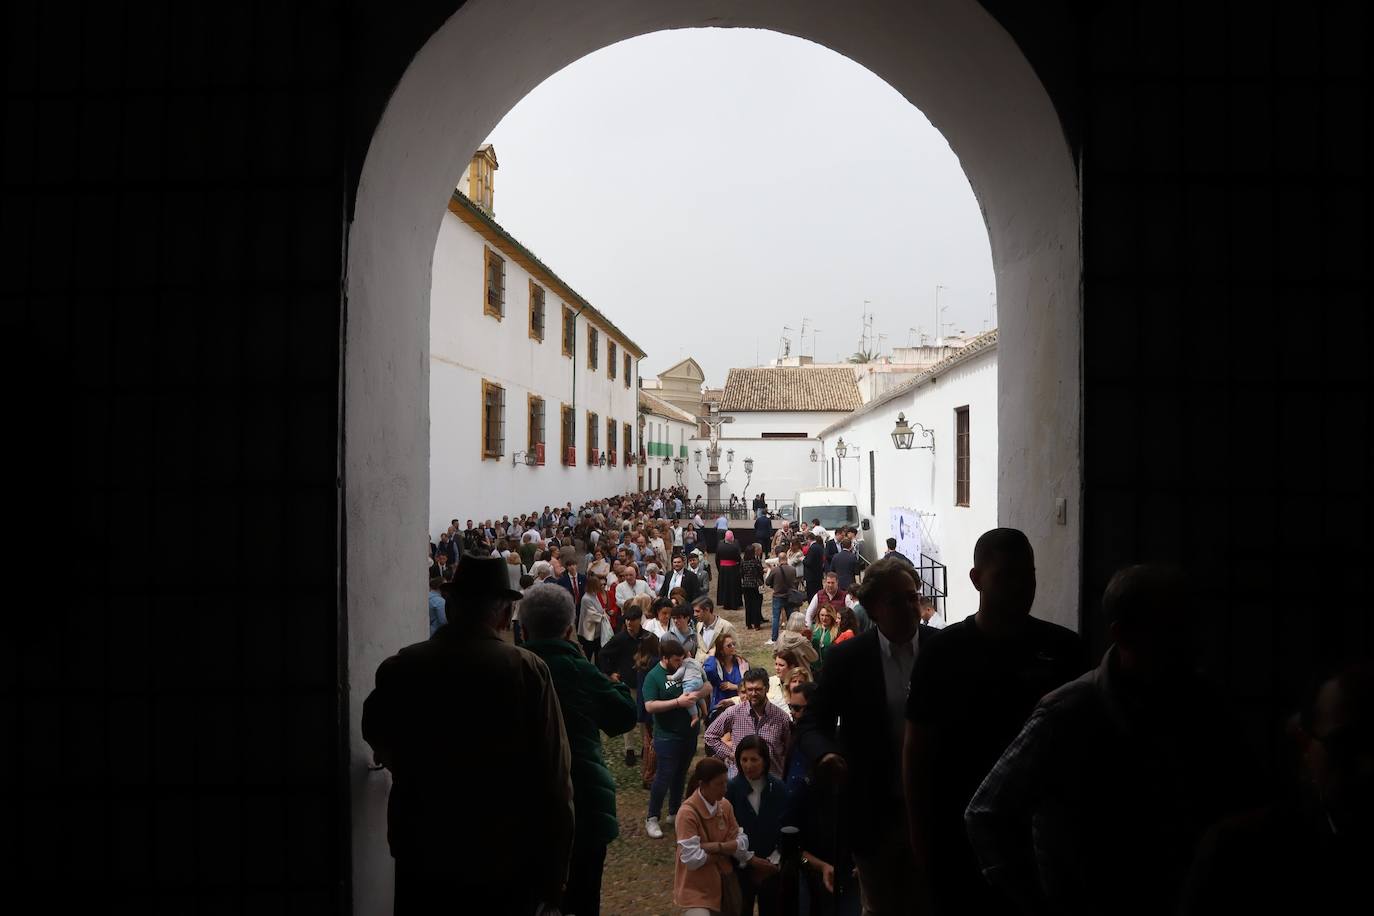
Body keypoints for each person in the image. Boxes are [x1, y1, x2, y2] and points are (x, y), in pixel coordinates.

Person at [964, 563, 1256, 916]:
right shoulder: (1066, 713)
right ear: (1123, 634)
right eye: (1170, 630)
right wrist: (1037, 901)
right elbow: (986, 813)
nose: (1188, 641)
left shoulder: (1202, 704)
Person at [361, 555, 573, 914]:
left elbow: (378, 739)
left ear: (450, 607)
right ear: (505, 615)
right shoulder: (526, 670)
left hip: (423, 854)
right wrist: (555, 876)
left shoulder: (401, 667)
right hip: (502, 860)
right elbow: (555, 777)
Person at [904, 528, 1086, 916]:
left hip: (1041, 845)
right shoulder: (943, 654)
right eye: (1007, 576)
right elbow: (917, 754)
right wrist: (922, 842)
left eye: (1029, 575)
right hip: (958, 844)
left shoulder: (1065, 651)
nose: (1021, 587)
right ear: (976, 579)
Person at [795, 556, 936, 916]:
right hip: (876, 814)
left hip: (937, 810)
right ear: (872, 608)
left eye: (912, 597)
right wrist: (825, 754)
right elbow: (812, 721)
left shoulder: (944, 649)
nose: (909, 608)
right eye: (895, 601)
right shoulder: (849, 658)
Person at [1179, 661, 1374, 914]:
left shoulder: (1239, 849)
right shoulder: (1238, 853)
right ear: (1305, 746)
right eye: (1347, 744)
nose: (1369, 765)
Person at [520, 585, 638, 916]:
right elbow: (624, 716)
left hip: (524, 803)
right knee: (583, 897)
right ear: (570, 630)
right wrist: (613, 682)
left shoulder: (511, 667)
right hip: (582, 801)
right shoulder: (579, 670)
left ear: (523, 628)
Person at [783, 680, 861, 916]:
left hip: (845, 862)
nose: (794, 714)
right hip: (808, 859)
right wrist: (813, 863)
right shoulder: (796, 743)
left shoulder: (839, 748)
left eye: (799, 709)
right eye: (791, 708)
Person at [674, 758, 755, 915]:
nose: (725, 788)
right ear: (703, 785)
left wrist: (715, 847)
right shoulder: (687, 813)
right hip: (697, 888)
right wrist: (726, 850)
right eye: (719, 784)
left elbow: (742, 842)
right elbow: (692, 860)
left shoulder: (725, 806)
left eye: (726, 782)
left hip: (724, 884)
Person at [643, 638, 702, 840]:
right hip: (667, 736)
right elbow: (649, 706)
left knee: (680, 774)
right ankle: (652, 817)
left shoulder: (686, 665)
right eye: (676, 660)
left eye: (681, 659)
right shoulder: (654, 677)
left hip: (689, 734)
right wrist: (678, 702)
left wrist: (696, 694)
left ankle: (674, 812)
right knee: (664, 776)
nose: (680, 663)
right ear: (665, 658)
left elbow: (708, 687)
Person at [727, 736, 788, 916]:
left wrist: (772, 861)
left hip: (772, 868)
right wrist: (749, 860)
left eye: (754, 759)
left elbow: (786, 827)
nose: (748, 765)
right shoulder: (731, 789)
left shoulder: (778, 788)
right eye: (744, 760)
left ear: (765, 760)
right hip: (740, 867)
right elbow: (727, 831)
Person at [705, 666, 791, 779]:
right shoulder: (734, 713)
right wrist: (731, 755)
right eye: (749, 690)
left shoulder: (781, 717)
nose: (753, 693)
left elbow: (790, 748)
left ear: (767, 688)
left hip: (771, 779)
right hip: (740, 780)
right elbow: (710, 735)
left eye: (758, 689)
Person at [598, 603, 648, 767]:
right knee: (629, 717)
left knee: (644, 719)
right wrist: (611, 673)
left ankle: (645, 747)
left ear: (639, 620)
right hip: (627, 684)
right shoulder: (620, 638)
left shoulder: (648, 637)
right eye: (627, 620)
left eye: (632, 620)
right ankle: (629, 750)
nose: (629, 624)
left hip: (645, 685)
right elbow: (603, 654)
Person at [763, 545, 798, 646]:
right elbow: (794, 582)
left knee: (775, 618)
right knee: (790, 617)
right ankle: (790, 636)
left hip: (778, 595)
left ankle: (774, 638)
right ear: (786, 559)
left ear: (779, 560)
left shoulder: (775, 570)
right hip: (789, 596)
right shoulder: (792, 570)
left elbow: (768, 582)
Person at [704, 632, 747, 713]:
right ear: (721, 650)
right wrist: (712, 656)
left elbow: (749, 684)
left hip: (739, 705)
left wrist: (735, 686)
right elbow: (709, 671)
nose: (733, 647)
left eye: (733, 644)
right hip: (720, 707)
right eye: (729, 645)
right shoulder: (716, 665)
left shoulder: (741, 663)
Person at [692, 596, 737, 663]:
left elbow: (736, 651)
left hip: (719, 668)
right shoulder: (699, 625)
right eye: (694, 611)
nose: (694, 614)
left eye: (698, 611)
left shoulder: (726, 627)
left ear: (707, 610)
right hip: (700, 667)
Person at [578, 571, 610, 663]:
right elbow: (591, 614)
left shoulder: (594, 595)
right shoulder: (586, 598)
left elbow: (599, 608)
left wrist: (604, 613)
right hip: (589, 633)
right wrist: (603, 617)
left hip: (597, 632)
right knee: (588, 655)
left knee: (598, 655)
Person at [810, 602, 841, 675]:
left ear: (832, 616)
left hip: (830, 669)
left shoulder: (837, 631)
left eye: (827, 616)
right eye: (822, 615)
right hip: (814, 669)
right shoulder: (813, 628)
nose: (824, 618)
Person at [716, 530, 744, 610]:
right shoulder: (734, 547)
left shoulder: (720, 546)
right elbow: (738, 558)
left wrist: (720, 568)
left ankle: (725, 604)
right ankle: (734, 603)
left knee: (725, 586)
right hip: (733, 569)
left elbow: (717, 559)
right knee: (733, 587)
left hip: (723, 569)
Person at [741, 542, 766, 631]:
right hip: (756, 585)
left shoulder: (743, 562)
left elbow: (741, 573)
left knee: (748, 605)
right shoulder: (756, 562)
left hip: (745, 586)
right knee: (756, 604)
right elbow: (760, 573)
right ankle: (756, 624)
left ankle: (748, 624)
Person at [802, 533, 826, 600]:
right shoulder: (819, 547)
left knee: (811, 595)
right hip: (818, 574)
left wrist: (803, 560)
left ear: (809, 539)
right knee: (819, 594)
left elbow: (809, 562)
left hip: (811, 576)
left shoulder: (812, 548)